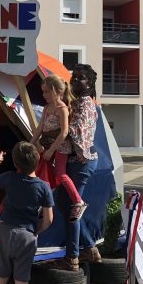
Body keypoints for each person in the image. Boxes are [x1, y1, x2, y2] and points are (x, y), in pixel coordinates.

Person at [0, 141, 54, 284]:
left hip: (5, 232)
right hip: (27, 236)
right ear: (37, 161)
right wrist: (35, 231)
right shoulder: (44, 187)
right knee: (21, 279)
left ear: (16, 164)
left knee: (0, 276)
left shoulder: (10, 177)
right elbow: (49, 220)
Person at [30, 74, 84, 223]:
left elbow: (64, 132)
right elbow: (40, 128)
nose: (44, 95)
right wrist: (30, 143)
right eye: (43, 91)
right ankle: (43, 203)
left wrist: (51, 150)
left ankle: (78, 201)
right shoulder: (47, 108)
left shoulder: (62, 109)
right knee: (42, 171)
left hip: (60, 146)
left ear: (58, 91)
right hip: (48, 144)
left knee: (60, 173)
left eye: (47, 91)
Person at [65, 64, 101, 265]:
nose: (75, 81)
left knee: (73, 209)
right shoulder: (82, 103)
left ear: (90, 83)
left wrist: (57, 135)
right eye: (74, 77)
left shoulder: (84, 104)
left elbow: (77, 134)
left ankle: (73, 257)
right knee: (69, 206)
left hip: (81, 162)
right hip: (80, 162)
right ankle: (89, 247)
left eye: (81, 78)